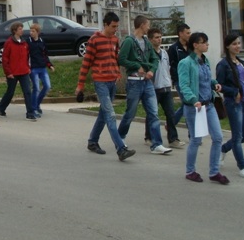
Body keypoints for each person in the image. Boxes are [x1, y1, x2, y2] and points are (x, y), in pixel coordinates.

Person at [75, 12, 135, 161]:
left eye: (117, 26)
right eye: (113, 26)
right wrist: (80, 85)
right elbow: (86, 63)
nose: (115, 29)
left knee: (103, 114)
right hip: (100, 82)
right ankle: (121, 149)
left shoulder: (115, 40)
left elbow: (115, 58)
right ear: (106, 25)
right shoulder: (94, 40)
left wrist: (117, 74)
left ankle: (92, 141)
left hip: (112, 81)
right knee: (110, 115)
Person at [178, 32, 229, 184]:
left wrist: (214, 84)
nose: (207, 44)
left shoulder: (204, 61)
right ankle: (190, 171)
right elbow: (184, 85)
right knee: (196, 139)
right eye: (204, 42)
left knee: (218, 137)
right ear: (195, 45)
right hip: (195, 107)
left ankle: (214, 172)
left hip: (209, 104)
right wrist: (193, 99)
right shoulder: (186, 63)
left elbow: (206, 78)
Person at [117, 16, 172, 155]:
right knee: (130, 113)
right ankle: (120, 137)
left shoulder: (147, 42)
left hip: (147, 82)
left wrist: (152, 70)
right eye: (147, 25)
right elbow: (121, 59)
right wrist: (137, 66)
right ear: (141, 25)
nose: (149, 27)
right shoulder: (129, 41)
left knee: (153, 112)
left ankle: (157, 144)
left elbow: (154, 59)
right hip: (134, 81)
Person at [215, 33, 244, 179]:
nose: (238, 46)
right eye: (234, 44)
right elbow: (218, 86)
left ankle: (223, 149)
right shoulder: (223, 64)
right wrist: (234, 92)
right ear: (227, 46)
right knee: (237, 136)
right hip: (233, 103)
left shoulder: (240, 62)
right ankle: (243, 166)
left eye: (239, 43)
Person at [146, 27, 185, 149]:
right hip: (154, 88)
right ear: (150, 39)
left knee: (171, 114)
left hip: (166, 87)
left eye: (160, 37)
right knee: (153, 114)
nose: (159, 39)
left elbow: (167, 67)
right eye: (156, 37)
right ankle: (149, 136)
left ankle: (173, 139)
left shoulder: (164, 53)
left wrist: (169, 81)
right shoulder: (148, 53)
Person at [0, 22, 36, 121]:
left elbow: (27, 57)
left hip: (24, 72)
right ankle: (1, 108)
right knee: (10, 92)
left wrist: (28, 68)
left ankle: (30, 113)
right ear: (14, 31)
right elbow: (5, 59)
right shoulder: (9, 43)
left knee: (27, 92)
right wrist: (8, 72)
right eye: (20, 29)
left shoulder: (24, 43)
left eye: (22, 28)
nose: (22, 30)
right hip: (12, 73)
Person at [27, 23, 54, 117]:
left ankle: (37, 104)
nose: (31, 33)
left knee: (47, 86)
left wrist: (49, 65)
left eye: (33, 31)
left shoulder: (42, 41)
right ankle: (33, 109)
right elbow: (26, 56)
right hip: (33, 68)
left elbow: (45, 54)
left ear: (38, 32)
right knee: (36, 88)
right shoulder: (28, 42)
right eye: (30, 31)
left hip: (42, 68)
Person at [168, 23, 191, 125]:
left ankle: (171, 123)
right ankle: (189, 125)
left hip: (191, 79)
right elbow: (171, 65)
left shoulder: (191, 47)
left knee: (187, 103)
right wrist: (175, 78)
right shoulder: (174, 48)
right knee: (187, 102)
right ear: (180, 34)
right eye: (187, 33)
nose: (189, 35)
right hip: (180, 80)